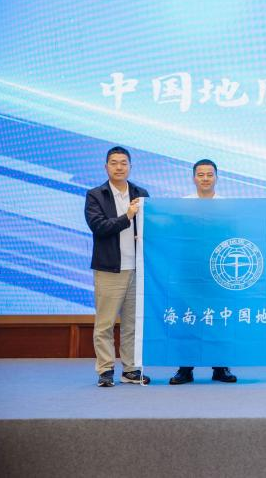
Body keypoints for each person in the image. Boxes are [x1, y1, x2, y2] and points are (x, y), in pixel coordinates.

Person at [84, 146, 151, 387]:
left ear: (130, 166)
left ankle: (131, 369)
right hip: (109, 269)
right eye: (114, 163)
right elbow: (99, 227)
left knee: (132, 324)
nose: (119, 167)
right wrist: (128, 216)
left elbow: (152, 226)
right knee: (105, 324)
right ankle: (105, 370)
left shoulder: (141, 193)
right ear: (106, 167)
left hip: (137, 270)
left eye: (124, 163)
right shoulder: (96, 195)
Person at [169, 159, 237, 385]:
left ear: (217, 177)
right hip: (188, 270)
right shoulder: (183, 205)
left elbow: (232, 234)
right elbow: (173, 234)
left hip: (218, 271)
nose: (205, 178)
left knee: (218, 317)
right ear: (193, 178)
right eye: (201, 175)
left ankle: (221, 367)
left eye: (209, 174)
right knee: (187, 317)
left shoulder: (226, 206)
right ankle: (185, 369)